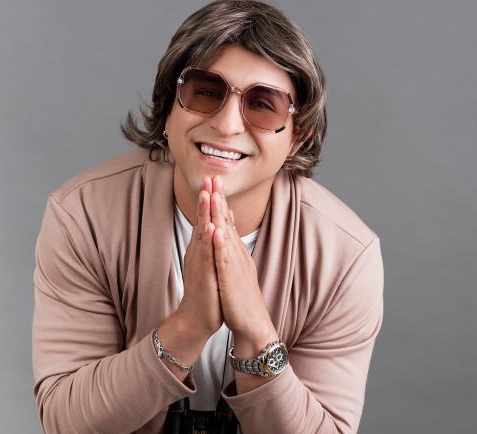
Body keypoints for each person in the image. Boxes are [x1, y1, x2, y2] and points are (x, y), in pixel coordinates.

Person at [31, 1, 384, 433]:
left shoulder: (345, 255)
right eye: (206, 92)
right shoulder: (85, 215)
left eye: (263, 105)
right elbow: (66, 421)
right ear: (168, 108)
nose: (227, 124)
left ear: (297, 137)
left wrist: (256, 332)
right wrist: (188, 326)